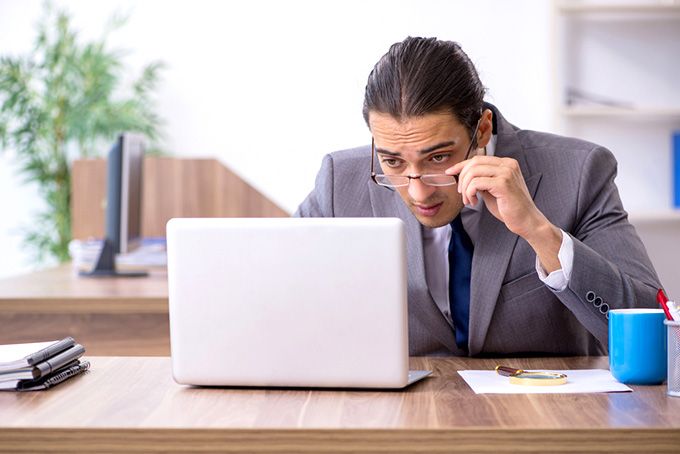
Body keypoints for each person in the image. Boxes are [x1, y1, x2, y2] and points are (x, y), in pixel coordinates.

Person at [295, 37, 661, 356]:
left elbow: (656, 336)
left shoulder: (580, 173)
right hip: (401, 417)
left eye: (438, 158)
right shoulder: (338, 182)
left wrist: (538, 231)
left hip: (544, 418)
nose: (418, 190)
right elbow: (276, 299)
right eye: (392, 161)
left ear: (482, 129)